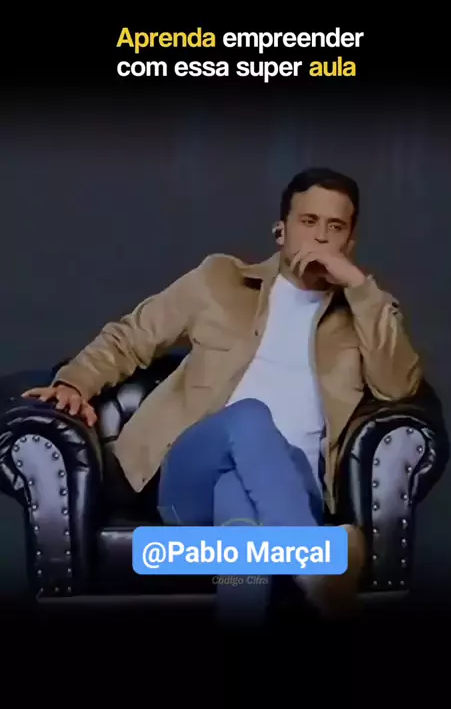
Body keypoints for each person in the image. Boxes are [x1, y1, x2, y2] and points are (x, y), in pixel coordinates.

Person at [23, 167, 423, 623]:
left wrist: (359, 288)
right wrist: (73, 383)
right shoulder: (218, 280)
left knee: (238, 505)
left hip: (294, 485)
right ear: (281, 230)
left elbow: (397, 385)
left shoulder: (368, 312)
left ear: (350, 243)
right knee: (249, 416)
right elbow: (130, 337)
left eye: (335, 227)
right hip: (191, 478)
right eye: (308, 221)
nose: (320, 237)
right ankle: (315, 562)